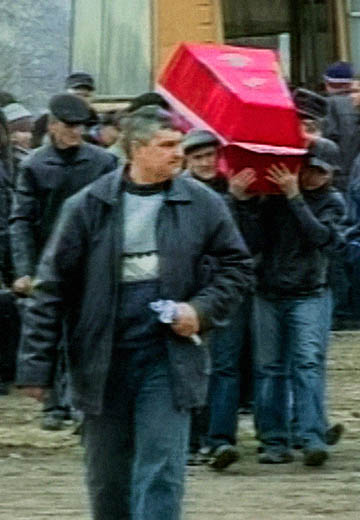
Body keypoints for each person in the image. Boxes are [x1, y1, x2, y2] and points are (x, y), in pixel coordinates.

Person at [16, 106, 253, 520]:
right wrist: (36, 365)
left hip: (169, 354)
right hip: (102, 356)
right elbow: (52, 286)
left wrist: (201, 310)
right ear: (136, 149)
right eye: (166, 145)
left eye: (178, 144)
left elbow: (237, 267)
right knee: (108, 477)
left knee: (162, 467)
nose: (177, 154)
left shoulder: (202, 204)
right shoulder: (88, 206)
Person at [230, 153, 346, 466]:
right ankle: (274, 441)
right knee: (269, 370)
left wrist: (295, 198)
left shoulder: (332, 201)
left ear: (330, 174)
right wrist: (241, 202)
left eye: (320, 172)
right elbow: (251, 243)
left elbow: (321, 238)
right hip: (268, 292)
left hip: (310, 294)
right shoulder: (272, 199)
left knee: (307, 365)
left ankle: (312, 438)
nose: (313, 177)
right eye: (308, 170)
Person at [10, 93, 117, 429]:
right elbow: (21, 220)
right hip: (50, 258)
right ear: (53, 126)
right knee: (49, 329)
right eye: (69, 126)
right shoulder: (34, 165)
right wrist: (25, 269)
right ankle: (55, 403)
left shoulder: (103, 163)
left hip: (94, 258)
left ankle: (85, 403)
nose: (76, 132)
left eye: (81, 126)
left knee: (91, 333)